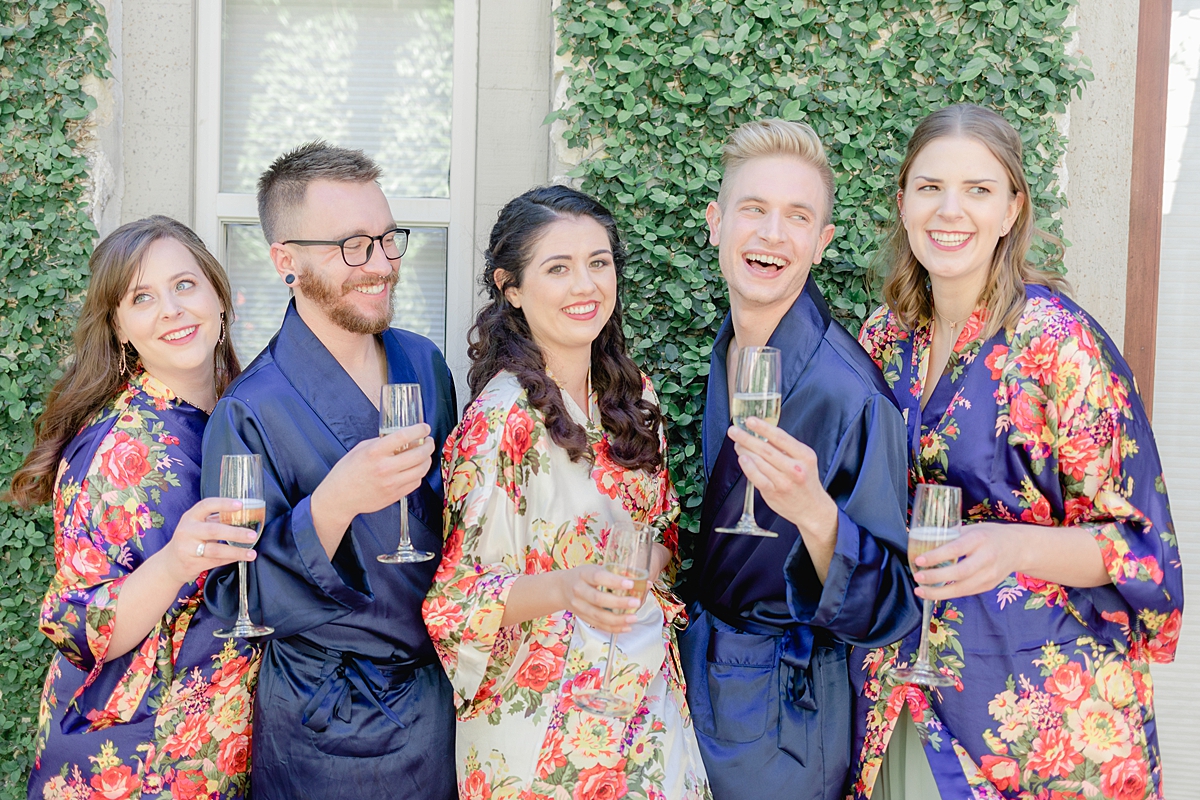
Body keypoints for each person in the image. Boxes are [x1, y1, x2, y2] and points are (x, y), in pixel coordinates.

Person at [851, 104, 1183, 800]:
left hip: (1043, 714)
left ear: (1011, 210)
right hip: (909, 693)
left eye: (979, 190)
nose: (951, 211)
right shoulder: (883, 340)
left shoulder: (1060, 345)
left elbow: (1139, 548)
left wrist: (1010, 547)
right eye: (930, 187)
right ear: (904, 201)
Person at [424, 185, 712, 798]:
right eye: (558, 268)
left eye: (598, 263)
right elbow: (457, 602)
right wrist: (566, 586)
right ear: (513, 289)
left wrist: (645, 564)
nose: (585, 285)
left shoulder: (633, 394)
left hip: (640, 698)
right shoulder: (501, 419)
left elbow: (662, 535)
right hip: (539, 725)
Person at [202, 142, 457, 799]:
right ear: (286, 261)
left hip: (434, 707)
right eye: (352, 246)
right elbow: (236, 600)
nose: (381, 265)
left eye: (387, 238)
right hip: (325, 720)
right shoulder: (250, 410)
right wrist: (333, 504)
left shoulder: (424, 365)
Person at [677, 119, 921, 800]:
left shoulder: (850, 394)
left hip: (787, 712)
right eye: (754, 209)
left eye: (798, 217)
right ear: (715, 222)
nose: (772, 234)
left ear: (821, 243)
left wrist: (816, 515)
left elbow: (893, 605)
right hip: (699, 680)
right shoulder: (732, 347)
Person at [12, 217, 259, 798]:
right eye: (142, 298)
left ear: (219, 299)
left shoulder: (242, 412)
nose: (172, 309)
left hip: (214, 745)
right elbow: (79, 624)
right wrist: (175, 562)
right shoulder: (118, 448)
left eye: (185, 285)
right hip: (131, 758)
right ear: (120, 327)